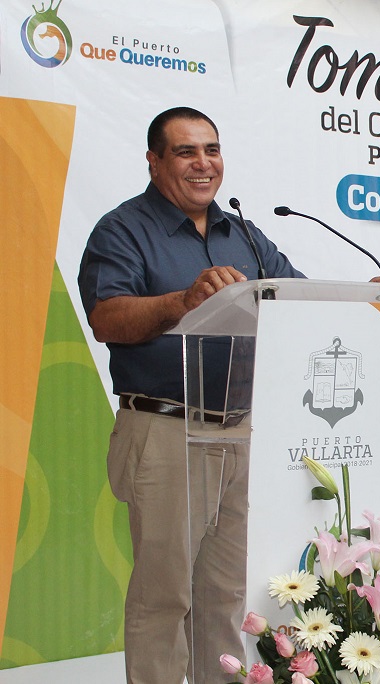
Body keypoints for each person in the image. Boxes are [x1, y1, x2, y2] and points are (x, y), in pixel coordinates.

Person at [78, 107, 304, 684]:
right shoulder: (122, 230)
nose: (203, 163)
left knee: (225, 592)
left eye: (212, 149)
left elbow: (298, 299)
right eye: (185, 152)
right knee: (165, 595)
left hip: (238, 432)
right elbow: (107, 318)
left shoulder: (245, 233)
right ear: (154, 162)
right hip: (165, 430)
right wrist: (182, 301)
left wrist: (372, 300)